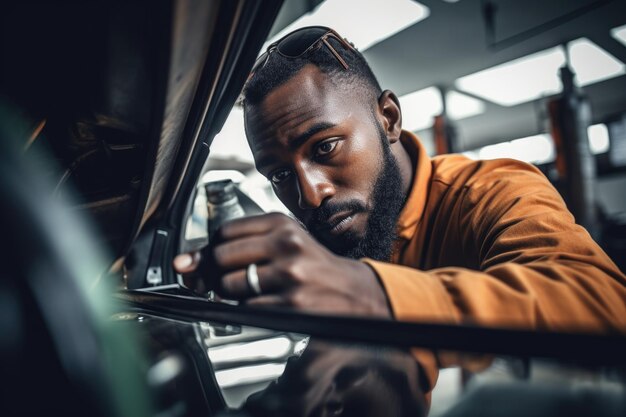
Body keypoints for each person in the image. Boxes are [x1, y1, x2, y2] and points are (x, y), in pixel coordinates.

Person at [174, 26, 626, 395]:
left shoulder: (490, 187)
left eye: (325, 146)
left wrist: (368, 292)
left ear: (388, 118)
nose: (309, 196)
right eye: (279, 175)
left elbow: (604, 303)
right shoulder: (339, 229)